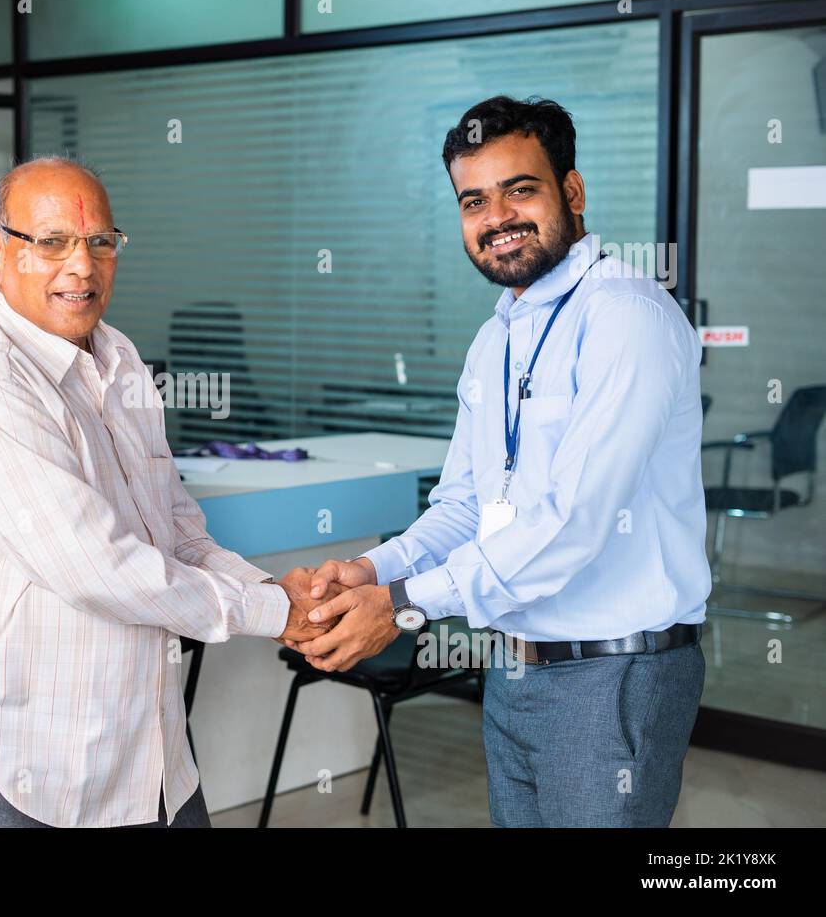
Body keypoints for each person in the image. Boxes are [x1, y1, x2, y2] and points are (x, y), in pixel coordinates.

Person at [300, 97, 710, 827]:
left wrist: (402, 608)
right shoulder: (497, 337)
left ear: (572, 192)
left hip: (613, 675)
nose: (498, 217)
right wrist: (375, 571)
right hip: (515, 665)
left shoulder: (627, 317)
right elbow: (465, 506)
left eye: (521, 189)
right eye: (474, 201)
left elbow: (574, 523)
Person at [0, 156, 337, 828]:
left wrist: (280, 595)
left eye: (100, 243)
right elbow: (96, 566)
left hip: (151, 759)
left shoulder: (122, 360)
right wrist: (269, 614)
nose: (82, 266)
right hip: (28, 777)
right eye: (52, 243)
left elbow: (177, 529)